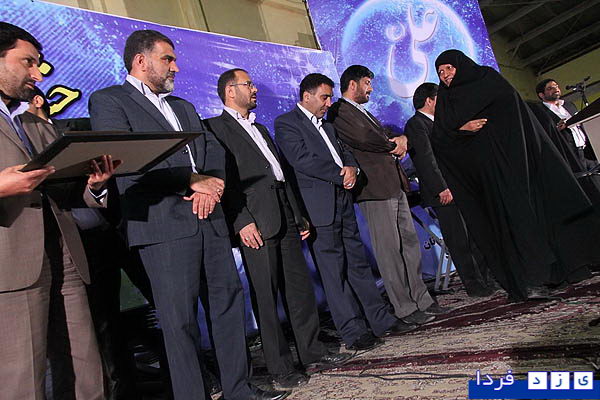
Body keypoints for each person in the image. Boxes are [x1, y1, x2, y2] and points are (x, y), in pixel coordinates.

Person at [89, 30, 288, 400]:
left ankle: (239, 390)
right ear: (140, 60)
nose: (175, 67)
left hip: (210, 220)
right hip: (162, 227)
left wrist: (212, 186)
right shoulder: (109, 101)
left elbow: (213, 151)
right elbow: (124, 160)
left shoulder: (183, 106)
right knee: (179, 322)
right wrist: (190, 181)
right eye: (167, 59)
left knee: (228, 307)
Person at [205, 68, 350, 389]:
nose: (254, 89)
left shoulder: (260, 127)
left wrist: (297, 214)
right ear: (230, 91)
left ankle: (312, 351)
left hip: (284, 214)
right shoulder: (214, 128)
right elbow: (224, 182)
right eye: (248, 84)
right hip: (255, 221)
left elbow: (280, 174)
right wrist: (241, 220)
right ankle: (281, 367)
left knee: (299, 289)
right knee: (266, 297)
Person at [0, 22, 117, 400]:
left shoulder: (34, 121)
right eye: (28, 62)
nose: (37, 74)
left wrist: (94, 185)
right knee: (22, 381)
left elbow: (64, 184)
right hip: (10, 264)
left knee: (85, 372)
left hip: (64, 255)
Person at [431, 49, 599, 301]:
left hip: (519, 164)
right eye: (440, 72)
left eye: (448, 68)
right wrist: (461, 130)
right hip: (489, 177)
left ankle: (560, 271)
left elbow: (513, 110)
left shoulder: (487, 78)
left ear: (461, 65)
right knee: (514, 224)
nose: (445, 75)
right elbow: (440, 140)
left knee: (538, 215)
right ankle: (531, 281)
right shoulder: (446, 101)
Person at [274, 73, 417, 352]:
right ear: (306, 96)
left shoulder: (328, 126)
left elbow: (346, 152)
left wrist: (353, 169)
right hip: (318, 209)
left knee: (358, 265)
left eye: (330, 97)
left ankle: (381, 320)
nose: (329, 103)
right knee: (334, 274)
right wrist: (341, 175)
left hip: (343, 202)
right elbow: (302, 160)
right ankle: (353, 331)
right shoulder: (287, 123)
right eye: (324, 97)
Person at [328, 65, 450, 325]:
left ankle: (421, 298)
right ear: (352, 84)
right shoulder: (340, 110)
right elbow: (364, 137)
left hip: (394, 185)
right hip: (374, 190)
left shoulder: (363, 112)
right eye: (367, 83)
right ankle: (404, 307)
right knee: (389, 252)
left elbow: (380, 136)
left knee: (409, 245)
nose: (371, 89)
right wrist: (395, 143)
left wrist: (400, 139)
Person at [404, 82, 495, 297]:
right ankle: (474, 285)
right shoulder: (416, 124)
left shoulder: (441, 123)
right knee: (459, 240)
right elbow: (426, 160)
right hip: (444, 192)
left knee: (474, 236)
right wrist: (441, 187)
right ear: (429, 100)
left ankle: (487, 278)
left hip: (460, 186)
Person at [529, 79, 600, 205]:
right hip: (570, 153)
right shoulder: (539, 111)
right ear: (541, 95)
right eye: (550, 88)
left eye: (556, 86)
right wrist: (555, 128)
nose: (555, 89)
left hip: (587, 149)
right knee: (587, 186)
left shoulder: (569, 105)